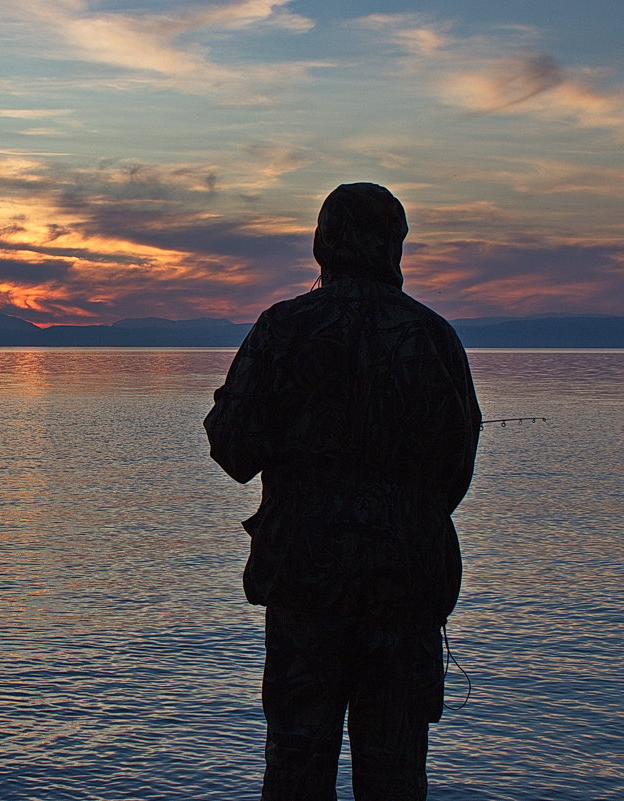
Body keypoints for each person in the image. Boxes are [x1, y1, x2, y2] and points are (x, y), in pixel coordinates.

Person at [203, 183, 480, 800]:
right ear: (394, 245)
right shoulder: (433, 337)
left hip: (308, 579)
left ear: (323, 243)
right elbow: (456, 468)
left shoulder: (284, 329)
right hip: (406, 577)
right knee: (395, 771)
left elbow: (232, 449)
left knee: (298, 766)